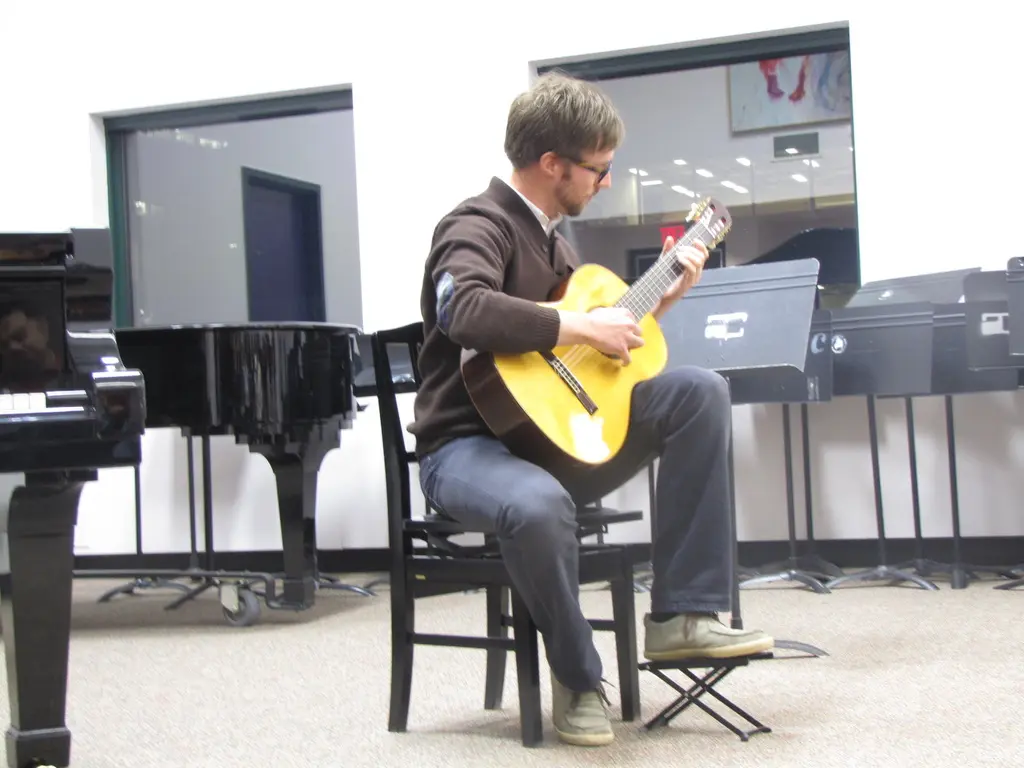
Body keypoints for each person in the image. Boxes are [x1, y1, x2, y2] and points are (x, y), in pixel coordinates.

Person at [408, 71, 773, 747]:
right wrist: (582, 326)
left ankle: (682, 616)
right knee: (537, 504)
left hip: (553, 441)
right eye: (599, 169)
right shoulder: (474, 225)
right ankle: (577, 677)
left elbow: (588, 369)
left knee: (699, 391)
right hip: (463, 449)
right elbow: (466, 310)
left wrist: (660, 301)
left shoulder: (559, 246)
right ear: (553, 163)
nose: (606, 182)